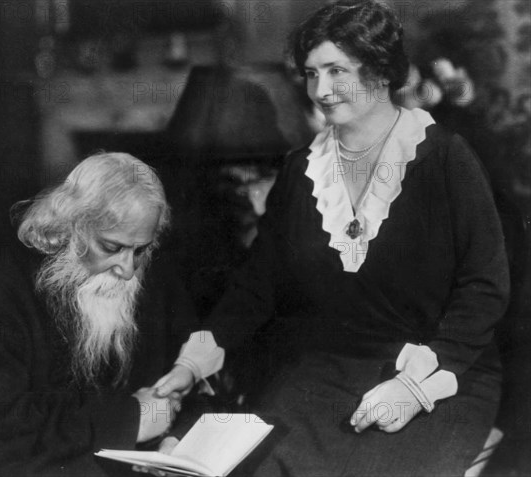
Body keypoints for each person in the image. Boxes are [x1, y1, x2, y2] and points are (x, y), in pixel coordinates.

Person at [155, 1, 510, 475]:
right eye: (310, 73)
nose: (320, 90)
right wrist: (192, 365)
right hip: (324, 374)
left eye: (336, 71)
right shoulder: (301, 171)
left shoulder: (446, 158)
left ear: (381, 70)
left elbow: (484, 287)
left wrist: (414, 389)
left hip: (443, 372)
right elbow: (256, 287)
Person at [0, 152, 222, 476]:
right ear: (69, 225)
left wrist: (176, 443)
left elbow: (190, 388)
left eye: (140, 250)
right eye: (111, 247)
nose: (127, 270)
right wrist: (129, 420)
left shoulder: (154, 284)